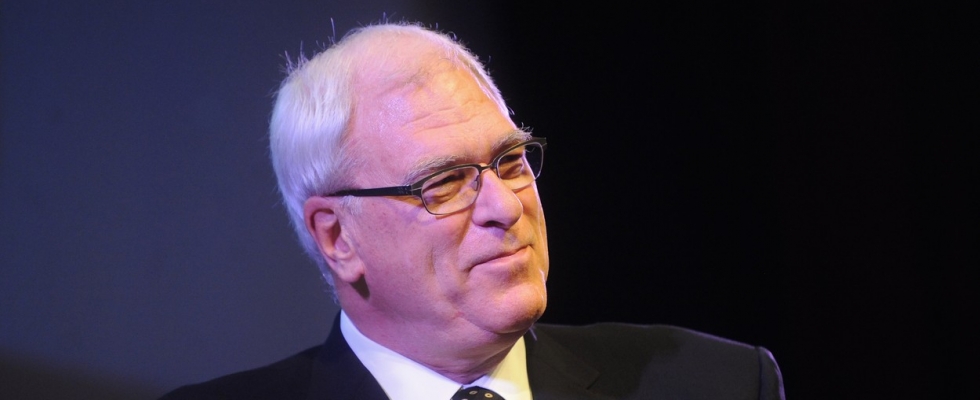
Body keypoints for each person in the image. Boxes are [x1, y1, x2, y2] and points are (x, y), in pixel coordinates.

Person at [160, 21, 785, 400]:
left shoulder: (717, 384)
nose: (504, 206)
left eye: (510, 160)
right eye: (445, 182)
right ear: (338, 237)